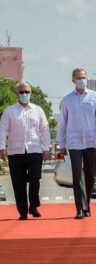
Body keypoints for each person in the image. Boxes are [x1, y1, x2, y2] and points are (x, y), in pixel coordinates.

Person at [56, 68, 96, 219]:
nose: (82, 80)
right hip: (74, 143)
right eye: (79, 78)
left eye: (84, 77)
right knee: (77, 175)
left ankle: (87, 204)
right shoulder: (67, 99)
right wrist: (62, 144)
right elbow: (62, 123)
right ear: (73, 80)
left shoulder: (94, 96)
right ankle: (80, 208)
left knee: (91, 175)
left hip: (91, 141)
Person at [0, 82, 50, 220]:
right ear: (17, 94)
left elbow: (44, 129)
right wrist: (2, 147)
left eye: (27, 92)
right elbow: (2, 129)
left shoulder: (38, 110)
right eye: (21, 92)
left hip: (34, 150)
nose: (24, 94)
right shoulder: (9, 111)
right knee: (18, 183)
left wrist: (46, 148)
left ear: (31, 93)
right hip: (15, 152)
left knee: (35, 178)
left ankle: (33, 205)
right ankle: (22, 211)